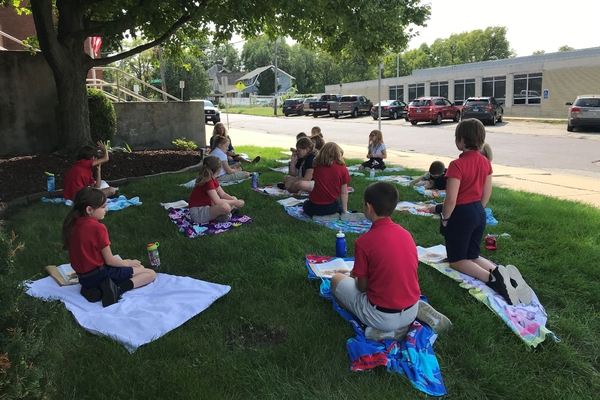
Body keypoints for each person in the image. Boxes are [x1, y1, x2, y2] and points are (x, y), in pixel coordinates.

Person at [428, 119, 519, 305]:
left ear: (461, 140)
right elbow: (487, 192)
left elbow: (451, 199)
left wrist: (445, 218)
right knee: (473, 255)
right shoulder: (485, 162)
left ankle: (493, 280)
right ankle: (500, 272)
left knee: (457, 260)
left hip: (462, 213)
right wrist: (478, 209)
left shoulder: (456, 165)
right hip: (479, 211)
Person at [330, 182, 420, 336]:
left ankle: (382, 330)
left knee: (336, 280)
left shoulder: (364, 242)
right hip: (412, 309)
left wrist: (354, 276)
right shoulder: (406, 234)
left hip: (381, 316)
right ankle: (414, 314)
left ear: (368, 207)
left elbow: (362, 287)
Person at [61, 187, 156, 307]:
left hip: (84, 279)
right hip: (101, 274)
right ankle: (116, 289)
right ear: (89, 209)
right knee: (149, 273)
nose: (106, 209)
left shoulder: (72, 224)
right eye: (103, 207)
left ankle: (97, 291)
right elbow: (110, 260)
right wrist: (127, 262)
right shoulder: (98, 228)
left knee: (136, 269)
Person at [302, 142, 352, 219]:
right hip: (331, 207)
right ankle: (337, 213)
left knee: (305, 203)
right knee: (337, 206)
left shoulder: (317, 166)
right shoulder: (343, 169)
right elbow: (344, 192)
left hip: (313, 207)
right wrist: (345, 210)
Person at [189, 155, 245, 223]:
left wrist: (234, 201)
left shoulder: (213, 179)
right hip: (198, 213)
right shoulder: (207, 182)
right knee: (225, 207)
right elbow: (217, 201)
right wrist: (234, 202)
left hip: (208, 206)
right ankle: (223, 215)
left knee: (233, 198)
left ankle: (223, 214)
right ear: (219, 169)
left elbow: (223, 194)